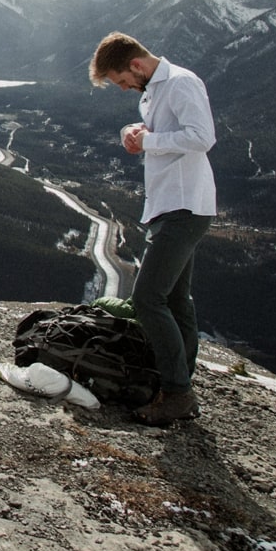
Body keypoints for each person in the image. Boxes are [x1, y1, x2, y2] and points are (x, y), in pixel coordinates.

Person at [89, 32, 216, 426]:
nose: (125, 88)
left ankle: (178, 392)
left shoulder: (180, 83)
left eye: (123, 81)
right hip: (170, 205)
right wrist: (132, 131)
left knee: (147, 299)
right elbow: (154, 130)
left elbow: (202, 137)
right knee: (177, 300)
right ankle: (178, 382)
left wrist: (149, 142)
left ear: (137, 65)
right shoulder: (155, 90)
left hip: (184, 204)